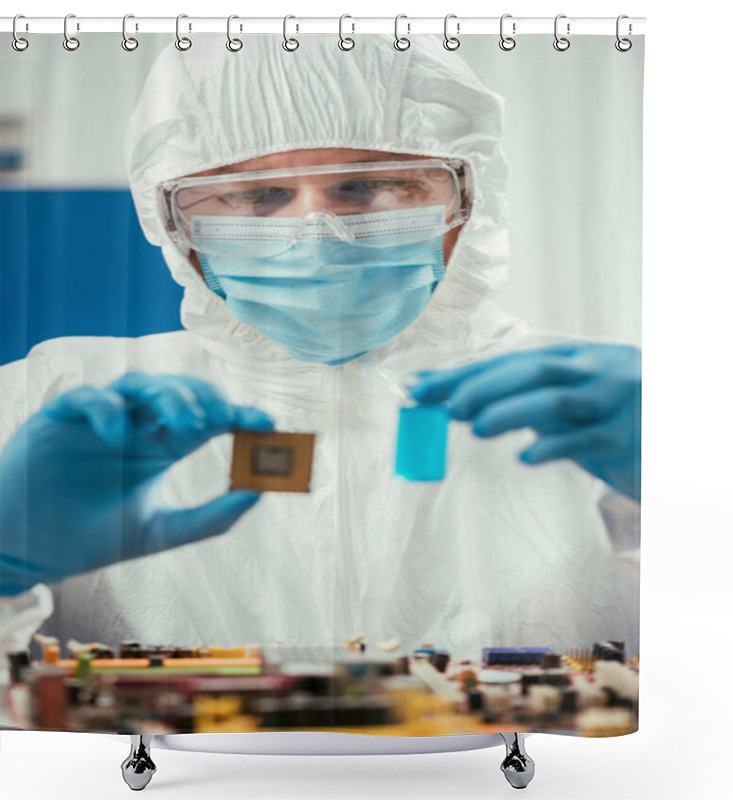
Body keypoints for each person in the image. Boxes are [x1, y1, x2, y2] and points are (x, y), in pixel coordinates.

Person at [0, 35, 640, 692]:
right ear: (172, 222)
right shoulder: (50, 401)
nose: (317, 235)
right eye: (257, 198)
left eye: (366, 186)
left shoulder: (601, 411)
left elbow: (723, 672)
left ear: (469, 197)